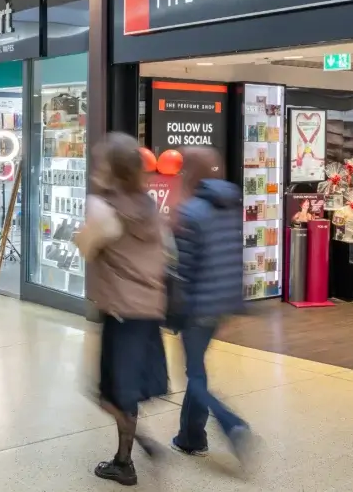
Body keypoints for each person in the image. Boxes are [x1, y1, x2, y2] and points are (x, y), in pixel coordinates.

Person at [76, 132, 168, 487]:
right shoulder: (147, 205)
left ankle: (124, 459)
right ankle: (132, 441)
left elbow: (87, 246)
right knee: (126, 388)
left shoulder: (103, 207)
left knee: (108, 391)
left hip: (120, 310)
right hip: (148, 307)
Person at [170, 146, 253, 462]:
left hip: (197, 305)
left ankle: (232, 425)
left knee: (195, 376)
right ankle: (191, 437)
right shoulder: (230, 204)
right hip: (222, 301)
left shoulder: (191, 213)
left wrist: (178, 312)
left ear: (189, 172)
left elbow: (185, 270)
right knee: (197, 369)